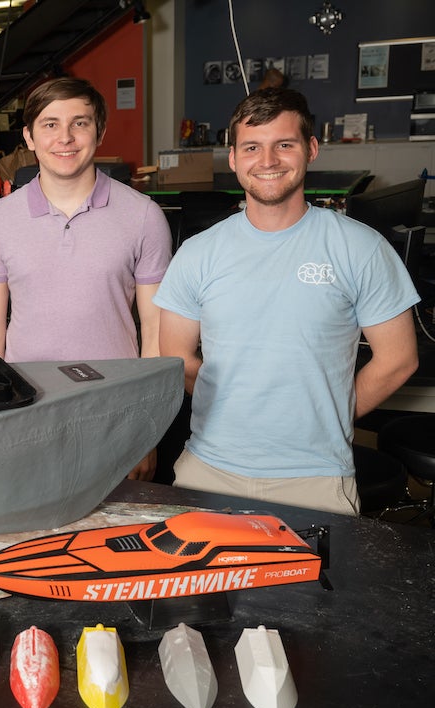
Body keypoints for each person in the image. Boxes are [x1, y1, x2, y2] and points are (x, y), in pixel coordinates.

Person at [154, 87, 419, 515]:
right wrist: (239, 403)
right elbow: (177, 356)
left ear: (310, 149)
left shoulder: (360, 248)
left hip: (316, 479)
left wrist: (323, 415)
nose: (268, 160)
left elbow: (399, 359)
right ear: (235, 158)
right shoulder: (198, 253)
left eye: (285, 145)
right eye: (252, 147)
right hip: (208, 471)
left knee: (311, 586)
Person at [0, 76, 172, 481]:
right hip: (25, 412)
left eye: (79, 123)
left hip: (115, 412)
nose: (64, 137)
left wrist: (146, 429)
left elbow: (155, 330)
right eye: (50, 124)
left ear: (99, 132)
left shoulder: (143, 215)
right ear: (29, 137)